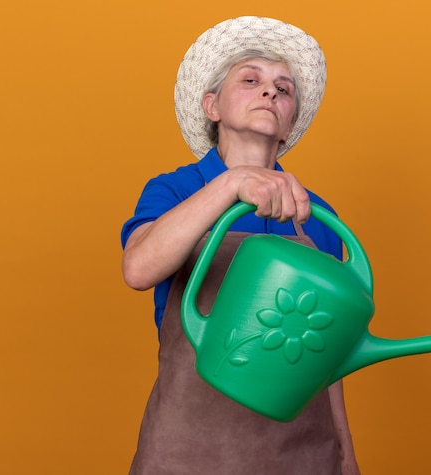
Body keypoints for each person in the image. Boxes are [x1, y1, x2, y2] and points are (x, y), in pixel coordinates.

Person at [121, 16, 360, 475]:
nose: (270, 92)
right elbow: (138, 269)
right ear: (212, 106)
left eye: (283, 89)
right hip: (188, 451)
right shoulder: (174, 191)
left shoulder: (318, 215)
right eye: (250, 80)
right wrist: (231, 184)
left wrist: (347, 457)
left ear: (288, 126)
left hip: (303, 456)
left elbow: (327, 355)